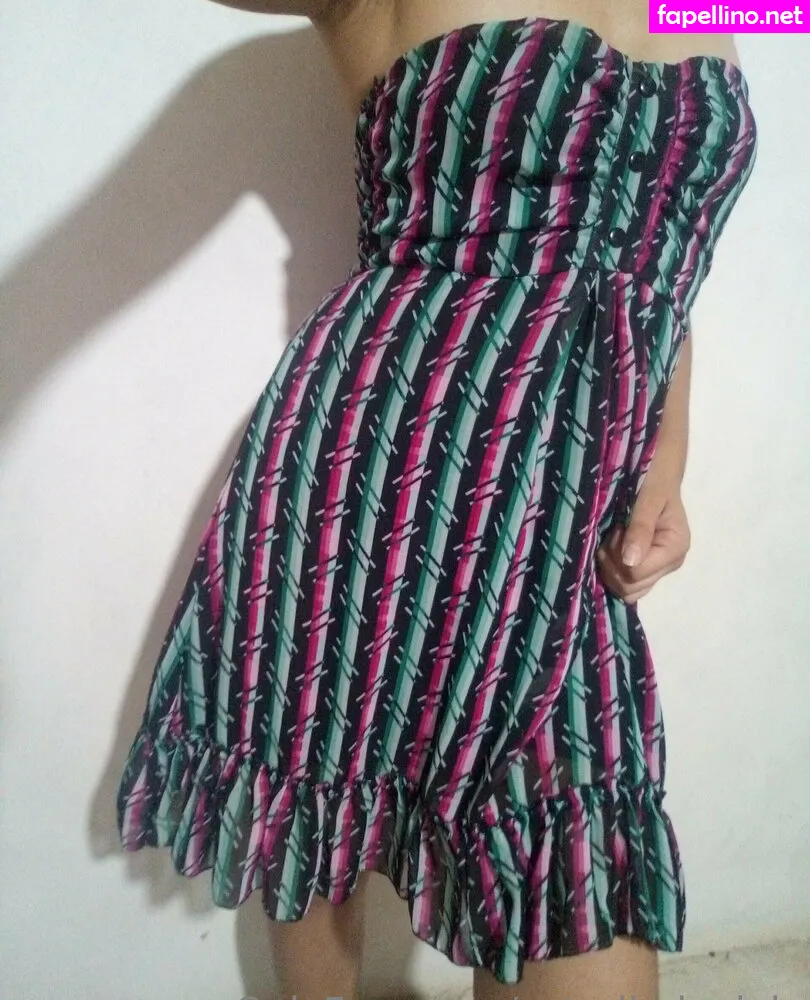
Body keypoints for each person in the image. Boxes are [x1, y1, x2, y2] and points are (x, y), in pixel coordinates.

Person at [115, 2, 759, 997]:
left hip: (565, 531)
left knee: (568, 864)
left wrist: (667, 453)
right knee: (322, 787)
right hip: (374, 480)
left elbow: (670, 253)